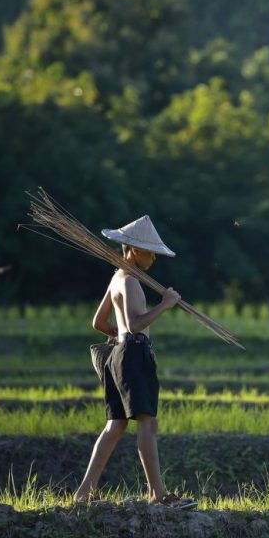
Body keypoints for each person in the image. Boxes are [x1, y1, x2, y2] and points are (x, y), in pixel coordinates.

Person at [72, 214, 197, 509]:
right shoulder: (129, 281)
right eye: (150, 251)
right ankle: (158, 494)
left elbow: (99, 322)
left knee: (115, 425)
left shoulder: (118, 277)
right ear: (133, 250)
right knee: (148, 424)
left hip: (119, 354)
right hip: (134, 354)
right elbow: (135, 323)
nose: (153, 258)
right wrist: (165, 304)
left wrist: (120, 338)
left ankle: (83, 493)